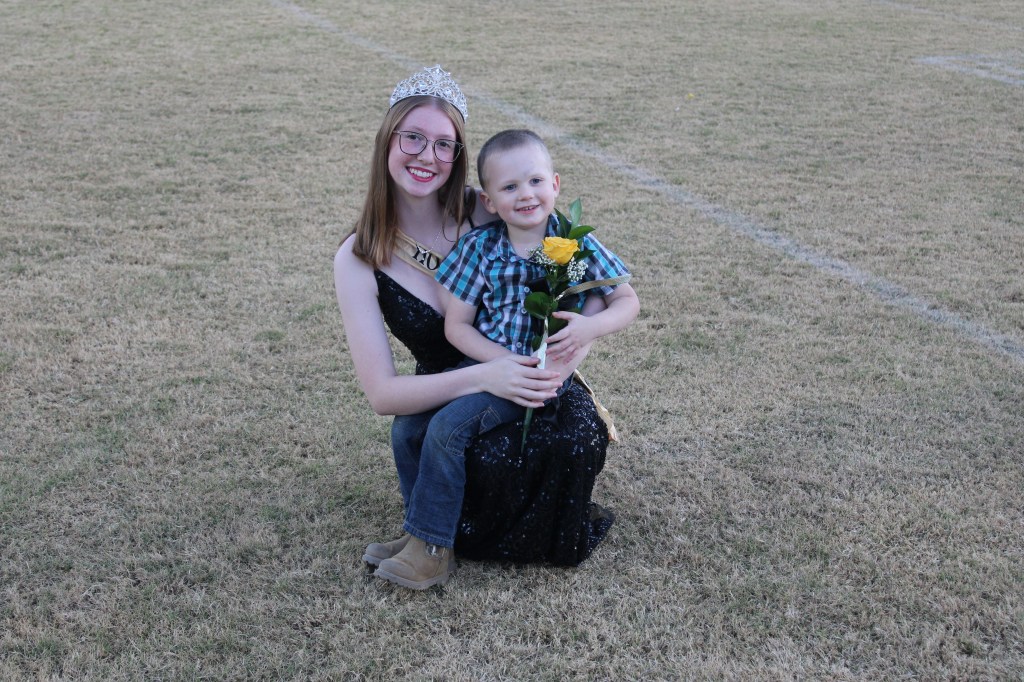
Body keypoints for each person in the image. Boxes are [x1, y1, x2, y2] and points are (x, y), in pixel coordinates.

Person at [334, 65, 618, 590]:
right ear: (387, 140)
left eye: (444, 144)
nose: (427, 156)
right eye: (412, 138)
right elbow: (382, 394)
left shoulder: (490, 208)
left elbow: (582, 277)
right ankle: (424, 535)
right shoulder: (360, 255)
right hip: (463, 379)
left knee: (513, 440)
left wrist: (566, 350)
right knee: (411, 430)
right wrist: (488, 375)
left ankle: (434, 544)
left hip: (533, 377)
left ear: (459, 156)